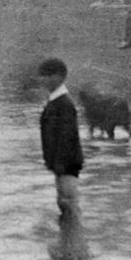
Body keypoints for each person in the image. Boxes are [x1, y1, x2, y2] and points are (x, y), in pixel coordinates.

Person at [38, 58, 84, 222]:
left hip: (66, 163)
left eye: (45, 76)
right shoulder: (55, 101)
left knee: (69, 201)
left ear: (58, 77)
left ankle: (73, 239)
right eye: (41, 76)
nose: (41, 79)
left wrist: (59, 162)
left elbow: (66, 136)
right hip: (60, 163)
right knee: (64, 201)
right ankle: (67, 238)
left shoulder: (64, 103)